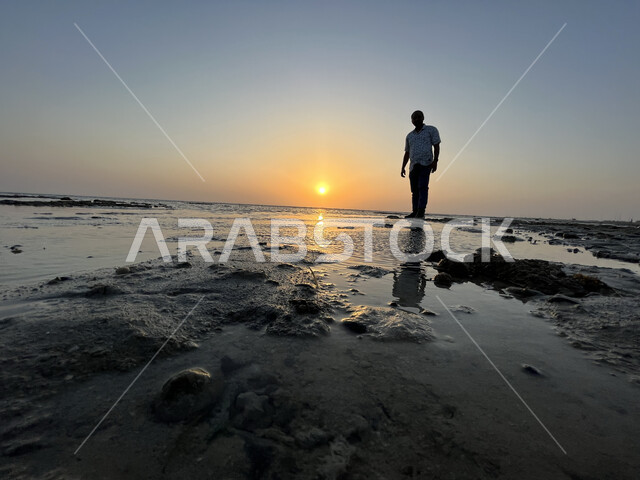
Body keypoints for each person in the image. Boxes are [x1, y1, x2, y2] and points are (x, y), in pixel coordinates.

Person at [400, 110, 441, 219]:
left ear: (423, 117)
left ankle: (421, 211)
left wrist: (435, 161)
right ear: (411, 121)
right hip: (413, 166)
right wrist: (403, 167)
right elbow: (407, 152)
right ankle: (415, 211)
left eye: (419, 117)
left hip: (426, 163)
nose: (417, 119)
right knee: (414, 190)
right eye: (414, 118)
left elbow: (436, 145)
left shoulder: (431, 130)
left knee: (422, 187)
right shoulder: (409, 136)